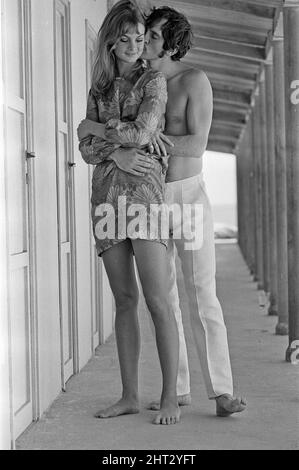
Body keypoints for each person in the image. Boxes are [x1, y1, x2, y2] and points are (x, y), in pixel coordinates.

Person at [104, 5, 247, 417]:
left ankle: (221, 391)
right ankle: (178, 388)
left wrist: (147, 138)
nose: (144, 40)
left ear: (174, 43)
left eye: (153, 35)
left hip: (187, 196)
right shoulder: (139, 83)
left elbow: (196, 145)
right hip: (147, 197)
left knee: (202, 291)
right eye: (144, 34)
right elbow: (115, 136)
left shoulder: (193, 81)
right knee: (162, 298)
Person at [77, 0, 180, 425]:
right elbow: (84, 152)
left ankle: (171, 396)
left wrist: (97, 130)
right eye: (127, 38)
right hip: (106, 201)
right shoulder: (99, 88)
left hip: (145, 200)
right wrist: (116, 152)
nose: (136, 45)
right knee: (123, 300)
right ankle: (129, 396)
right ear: (111, 40)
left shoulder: (153, 80)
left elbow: (143, 131)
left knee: (157, 300)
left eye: (142, 39)